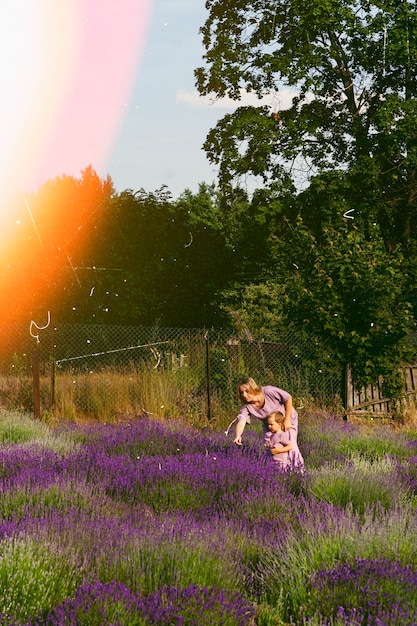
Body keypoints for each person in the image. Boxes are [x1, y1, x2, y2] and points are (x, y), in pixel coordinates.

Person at [233, 376, 298, 446]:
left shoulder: (268, 391)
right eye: (242, 392)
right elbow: (242, 421)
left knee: (290, 446)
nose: (244, 395)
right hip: (270, 426)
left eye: (247, 391)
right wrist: (238, 435)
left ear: (252, 388)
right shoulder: (246, 407)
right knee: (271, 448)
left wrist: (287, 419)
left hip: (287, 419)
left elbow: (288, 398)